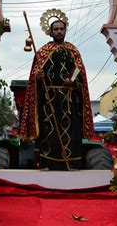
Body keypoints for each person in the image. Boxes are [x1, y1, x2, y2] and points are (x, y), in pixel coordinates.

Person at [20, 9, 94, 171]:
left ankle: (72, 162)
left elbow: (79, 71)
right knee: (49, 131)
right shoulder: (42, 52)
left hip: (68, 98)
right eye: (56, 29)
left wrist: (72, 80)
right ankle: (47, 163)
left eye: (62, 29)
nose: (59, 31)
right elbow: (34, 77)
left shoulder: (72, 50)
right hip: (49, 98)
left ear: (65, 30)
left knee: (70, 129)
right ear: (50, 32)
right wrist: (37, 77)